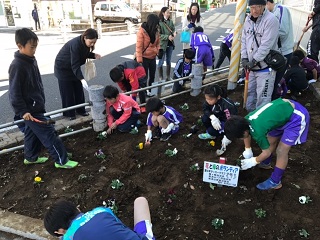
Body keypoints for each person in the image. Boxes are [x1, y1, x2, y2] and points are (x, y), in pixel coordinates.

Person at [8, 28, 78, 169]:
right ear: (19, 46)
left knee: (31, 134)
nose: (34, 50)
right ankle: (61, 160)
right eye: (32, 47)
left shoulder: (30, 60)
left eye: (35, 47)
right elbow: (14, 92)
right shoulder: (17, 66)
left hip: (35, 105)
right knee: (48, 133)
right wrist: (22, 111)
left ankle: (30, 157)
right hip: (30, 111)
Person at [224, 98, 310, 190]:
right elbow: (246, 135)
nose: (241, 139)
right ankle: (266, 163)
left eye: (240, 137)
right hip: (280, 115)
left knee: (281, 150)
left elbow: (266, 152)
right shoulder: (245, 121)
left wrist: (254, 160)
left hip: (296, 117)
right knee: (270, 141)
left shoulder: (258, 132)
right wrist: (248, 149)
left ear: (244, 131)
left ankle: (275, 181)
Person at [44, 197, 155, 239]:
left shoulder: (69, 237)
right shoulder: (101, 211)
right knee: (140, 201)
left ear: (60, 231)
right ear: (77, 209)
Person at [54, 28, 101, 120]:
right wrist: (82, 79)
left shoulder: (84, 44)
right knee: (67, 92)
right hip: (63, 68)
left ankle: (81, 110)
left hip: (73, 67)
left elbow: (83, 54)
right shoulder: (75, 44)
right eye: (91, 42)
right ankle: (70, 113)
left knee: (78, 90)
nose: (92, 44)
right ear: (85, 38)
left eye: (94, 42)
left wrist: (93, 55)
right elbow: (75, 64)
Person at [241, 0, 279, 112]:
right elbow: (244, 40)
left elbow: (266, 45)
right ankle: (249, 117)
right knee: (250, 94)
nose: (254, 10)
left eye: (258, 6)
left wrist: (254, 60)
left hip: (265, 68)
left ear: (264, 6)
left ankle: (261, 124)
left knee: (263, 98)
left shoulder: (271, 20)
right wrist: (244, 58)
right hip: (251, 68)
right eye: (252, 7)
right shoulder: (248, 20)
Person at [266, 0, 294, 100]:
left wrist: (268, 36)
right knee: (273, 80)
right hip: (278, 52)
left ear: (267, 2)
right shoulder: (273, 12)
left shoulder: (281, 9)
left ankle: (273, 102)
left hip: (283, 52)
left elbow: (283, 31)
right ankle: (272, 100)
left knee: (275, 80)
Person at [198, 85, 237, 152]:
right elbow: (205, 109)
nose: (208, 101)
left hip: (226, 121)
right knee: (204, 118)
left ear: (218, 97)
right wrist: (212, 117)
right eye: (206, 99)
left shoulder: (227, 105)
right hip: (217, 117)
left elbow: (231, 121)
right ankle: (213, 134)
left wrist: (228, 136)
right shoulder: (209, 101)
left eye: (210, 99)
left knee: (211, 131)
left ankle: (217, 133)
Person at [136, 14, 160, 97]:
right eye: (156, 23)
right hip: (144, 58)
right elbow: (138, 47)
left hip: (152, 57)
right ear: (152, 23)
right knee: (144, 77)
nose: (157, 25)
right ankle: (144, 93)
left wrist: (157, 51)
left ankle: (151, 91)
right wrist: (139, 61)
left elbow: (158, 43)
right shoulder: (142, 31)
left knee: (152, 75)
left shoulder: (156, 30)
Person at [158, 7, 177, 81]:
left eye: (169, 12)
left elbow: (173, 29)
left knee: (168, 60)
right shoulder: (159, 22)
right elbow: (158, 35)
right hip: (162, 45)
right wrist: (167, 37)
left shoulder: (170, 21)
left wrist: (175, 33)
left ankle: (168, 76)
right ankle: (160, 77)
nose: (169, 14)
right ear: (163, 13)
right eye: (167, 12)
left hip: (170, 44)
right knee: (161, 61)